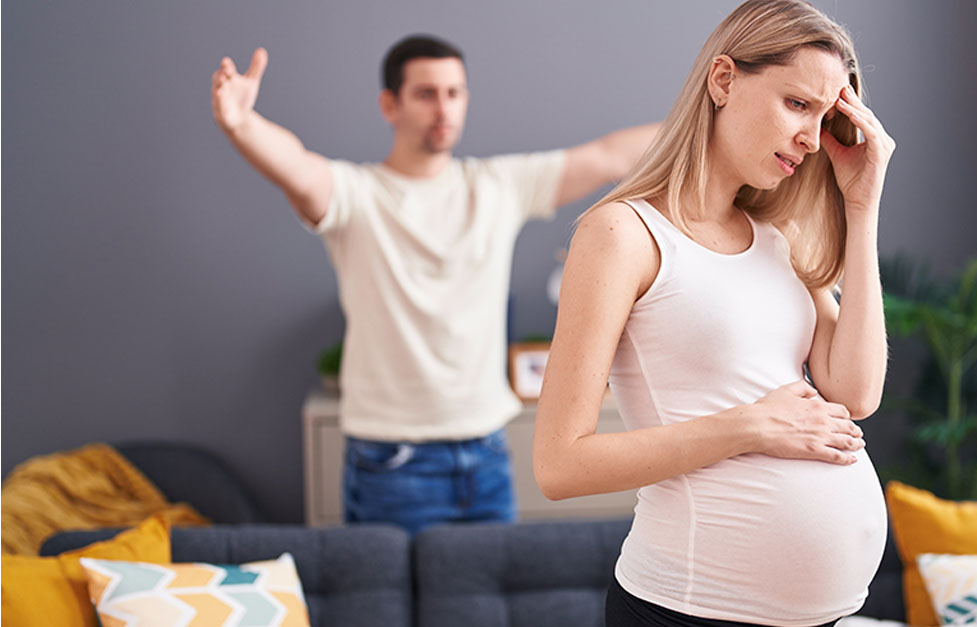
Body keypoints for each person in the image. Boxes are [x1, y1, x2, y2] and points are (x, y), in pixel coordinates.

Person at [531, 1, 895, 625]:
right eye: (797, 104)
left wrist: (862, 207)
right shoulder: (623, 233)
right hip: (688, 610)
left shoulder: (776, 238)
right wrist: (750, 427)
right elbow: (560, 465)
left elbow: (857, 393)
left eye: (825, 117)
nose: (811, 139)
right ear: (724, 80)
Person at [211, 35, 659, 535]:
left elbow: (607, 155)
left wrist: (710, 118)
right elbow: (295, 165)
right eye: (426, 94)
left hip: (487, 454)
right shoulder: (355, 195)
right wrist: (241, 124)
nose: (443, 107)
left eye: (454, 93)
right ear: (390, 104)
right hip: (391, 462)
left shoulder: (499, 187)